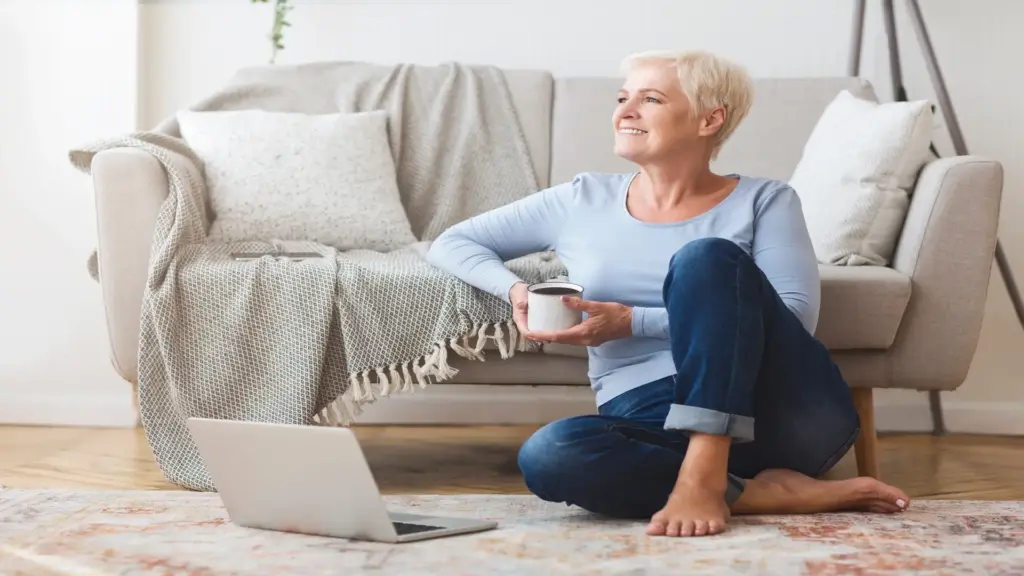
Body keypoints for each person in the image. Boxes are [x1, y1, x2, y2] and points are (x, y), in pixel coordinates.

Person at [426, 49, 910, 538]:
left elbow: (794, 318)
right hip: (648, 414)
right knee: (550, 454)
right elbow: (454, 241)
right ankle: (758, 492)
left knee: (706, 259)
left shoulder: (766, 200)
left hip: (781, 408)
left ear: (710, 119)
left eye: (650, 98)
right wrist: (517, 292)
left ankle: (706, 467)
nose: (625, 111)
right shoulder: (581, 199)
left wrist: (631, 322)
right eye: (622, 98)